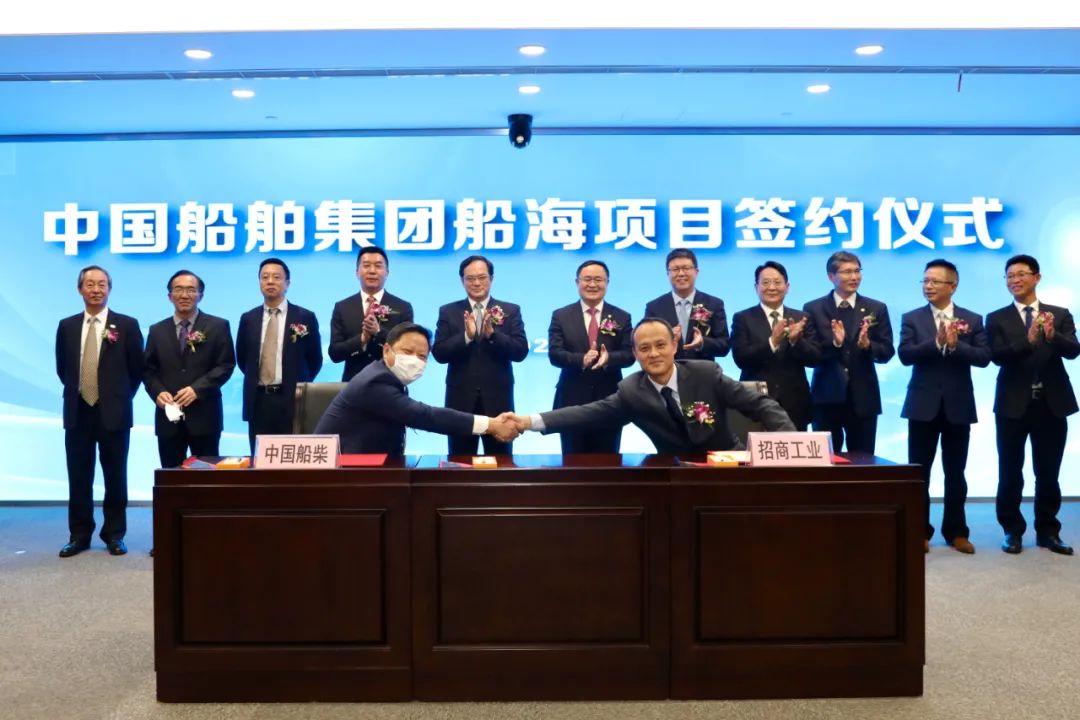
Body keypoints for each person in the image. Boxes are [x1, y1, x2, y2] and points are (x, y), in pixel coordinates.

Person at [514, 318, 794, 451]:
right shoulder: (631, 391)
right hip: (673, 475)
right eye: (645, 348)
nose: (654, 354)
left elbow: (761, 405)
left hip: (724, 464)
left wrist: (791, 446)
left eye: (661, 345)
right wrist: (526, 422)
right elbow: (585, 414)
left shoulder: (706, 373)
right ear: (635, 355)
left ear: (674, 346)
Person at [986, 254, 1079, 556]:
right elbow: (995, 356)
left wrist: (1053, 336)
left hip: (1052, 404)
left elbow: (1074, 350)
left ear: (1037, 277)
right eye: (1010, 276)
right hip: (1012, 405)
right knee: (1010, 472)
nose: (1015, 280)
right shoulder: (996, 317)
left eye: (1021, 274)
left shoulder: (1059, 314)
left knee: (1048, 472)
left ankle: (1048, 532)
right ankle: (1012, 531)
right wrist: (1026, 342)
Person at [898, 259, 990, 554]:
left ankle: (957, 531)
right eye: (925, 281)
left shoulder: (972, 319)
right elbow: (905, 355)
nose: (928, 286)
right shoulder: (912, 318)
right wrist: (936, 343)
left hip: (958, 405)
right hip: (922, 406)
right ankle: (919, 531)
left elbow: (983, 357)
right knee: (919, 474)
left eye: (935, 281)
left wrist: (955, 345)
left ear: (953, 285)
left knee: (955, 472)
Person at [314, 322, 518, 455]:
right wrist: (491, 424)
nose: (414, 360)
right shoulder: (375, 382)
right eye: (407, 351)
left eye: (422, 356)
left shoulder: (387, 376)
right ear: (386, 350)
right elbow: (424, 416)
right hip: (339, 472)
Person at [54, 266, 144, 558]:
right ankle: (79, 535)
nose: (96, 289)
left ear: (110, 289)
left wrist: (118, 397)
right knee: (78, 476)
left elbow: (136, 369)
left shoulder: (126, 325)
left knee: (115, 476)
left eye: (101, 284)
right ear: (79, 289)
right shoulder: (67, 326)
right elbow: (63, 368)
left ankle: (114, 534)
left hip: (114, 412)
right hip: (78, 411)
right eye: (90, 284)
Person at [431, 255, 529, 455]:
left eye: (482, 277)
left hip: (498, 402)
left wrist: (493, 335)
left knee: (501, 463)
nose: (476, 283)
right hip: (460, 403)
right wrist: (466, 337)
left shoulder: (510, 310)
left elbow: (520, 352)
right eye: (470, 278)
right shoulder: (448, 311)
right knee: (460, 462)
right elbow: (439, 353)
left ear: (491, 279)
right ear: (462, 281)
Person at [802, 251, 894, 454]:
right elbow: (810, 354)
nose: (854, 277)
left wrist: (868, 346)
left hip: (863, 398)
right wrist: (835, 344)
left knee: (863, 463)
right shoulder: (813, 309)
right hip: (826, 397)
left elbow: (887, 351)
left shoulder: (876, 308)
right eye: (847, 272)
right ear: (831, 276)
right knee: (825, 462)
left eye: (857, 271)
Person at [143, 269, 236, 469]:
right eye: (178, 290)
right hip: (168, 417)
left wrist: (197, 389)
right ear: (169, 296)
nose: (184, 295)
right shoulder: (157, 330)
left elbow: (226, 365)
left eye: (191, 290)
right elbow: (148, 370)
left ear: (200, 295)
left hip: (205, 416)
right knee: (170, 476)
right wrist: (158, 392)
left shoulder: (218, 326)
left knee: (206, 478)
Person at [236, 258, 323, 454]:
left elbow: (314, 359)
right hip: (258, 400)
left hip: (292, 398)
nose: (270, 281)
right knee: (260, 457)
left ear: (287, 283)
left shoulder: (304, 317)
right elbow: (243, 359)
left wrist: (298, 384)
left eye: (276, 277)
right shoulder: (248, 318)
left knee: (292, 456)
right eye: (264, 277)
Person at [547, 259, 635, 453]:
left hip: (610, 399)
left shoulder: (622, 316)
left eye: (598, 279)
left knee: (609, 460)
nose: (593, 284)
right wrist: (581, 360)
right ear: (577, 282)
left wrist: (609, 358)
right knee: (571, 460)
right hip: (571, 399)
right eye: (587, 279)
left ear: (607, 282)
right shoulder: (561, 315)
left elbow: (630, 354)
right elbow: (555, 354)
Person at [731, 260, 819, 431]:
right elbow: (741, 359)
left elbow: (814, 359)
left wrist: (796, 342)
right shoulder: (742, 318)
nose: (771, 287)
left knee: (795, 448)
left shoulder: (802, 318)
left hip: (795, 403)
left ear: (787, 287)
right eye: (765, 282)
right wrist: (772, 342)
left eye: (777, 282)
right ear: (756, 287)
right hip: (755, 401)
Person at [329, 246, 413, 382]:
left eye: (378, 266)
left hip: (390, 383)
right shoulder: (342, 307)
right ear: (357, 272)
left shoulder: (402, 307)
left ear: (387, 273)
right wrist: (361, 339)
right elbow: (334, 353)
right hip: (352, 385)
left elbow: (407, 349)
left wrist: (379, 332)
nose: (372, 271)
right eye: (366, 265)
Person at [643, 249, 729, 360]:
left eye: (686, 268)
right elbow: (645, 343)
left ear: (696, 272)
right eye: (675, 269)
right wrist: (666, 338)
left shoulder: (714, 304)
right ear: (668, 273)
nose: (681, 273)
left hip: (703, 369)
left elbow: (724, 345)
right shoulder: (654, 307)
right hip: (667, 368)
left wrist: (703, 342)